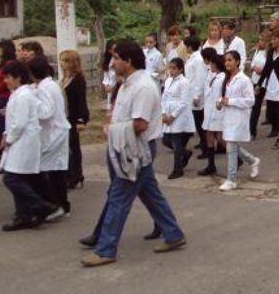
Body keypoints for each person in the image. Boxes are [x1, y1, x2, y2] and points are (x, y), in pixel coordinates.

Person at [81, 41, 186, 267]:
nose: (112, 62)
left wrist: (112, 128)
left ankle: (106, 249)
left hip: (136, 149)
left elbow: (140, 124)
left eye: (116, 58)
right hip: (126, 147)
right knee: (149, 193)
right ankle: (174, 234)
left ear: (128, 61)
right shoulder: (128, 84)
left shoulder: (143, 87)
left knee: (119, 197)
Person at [0, 60, 62, 231]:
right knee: (21, 177)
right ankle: (24, 215)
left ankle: (40, 205)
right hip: (22, 140)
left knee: (11, 178)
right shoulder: (19, 94)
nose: (6, 81)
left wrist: (9, 138)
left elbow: (19, 123)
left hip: (24, 141)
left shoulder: (24, 96)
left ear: (18, 78)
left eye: (8, 78)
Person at [29, 57, 72, 215]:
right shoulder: (50, 85)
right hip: (57, 131)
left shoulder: (44, 89)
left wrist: (33, 104)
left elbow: (46, 112)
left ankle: (53, 205)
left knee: (44, 170)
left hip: (53, 133)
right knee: (56, 171)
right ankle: (62, 205)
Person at [217, 51, 261, 192]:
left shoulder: (244, 80)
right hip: (228, 116)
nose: (227, 63)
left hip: (239, 117)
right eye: (225, 60)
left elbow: (250, 100)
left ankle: (231, 179)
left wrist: (230, 101)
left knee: (230, 146)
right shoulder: (227, 78)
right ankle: (252, 160)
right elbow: (224, 96)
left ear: (237, 61)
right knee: (231, 145)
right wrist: (220, 102)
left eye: (230, 60)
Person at [58, 50, 89, 189]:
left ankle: (75, 175)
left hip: (73, 117)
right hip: (63, 116)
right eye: (61, 61)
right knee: (70, 146)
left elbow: (81, 100)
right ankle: (73, 174)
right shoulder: (63, 79)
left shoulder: (78, 79)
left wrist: (81, 120)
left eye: (65, 61)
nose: (61, 64)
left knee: (72, 147)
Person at [161, 58, 196, 179]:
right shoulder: (168, 81)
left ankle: (178, 169)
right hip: (168, 112)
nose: (171, 70)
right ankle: (185, 153)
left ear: (181, 69)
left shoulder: (184, 82)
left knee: (176, 143)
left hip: (179, 115)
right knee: (165, 140)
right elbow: (164, 97)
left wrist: (173, 115)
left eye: (174, 68)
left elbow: (184, 102)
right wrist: (164, 113)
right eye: (170, 68)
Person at [197, 48, 224, 176]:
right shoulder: (211, 73)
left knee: (220, 139)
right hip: (209, 110)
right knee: (209, 136)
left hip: (218, 111)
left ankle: (240, 157)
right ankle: (211, 164)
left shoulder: (222, 77)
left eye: (212, 63)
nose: (210, 65)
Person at [183, 36, 207, 158]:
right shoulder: (191, 58)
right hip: (190, 92)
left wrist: (197, 95)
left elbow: (200, 78)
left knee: (200, 122)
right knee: (197, 122)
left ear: (190, 47)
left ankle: (206, 147)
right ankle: (203, 143)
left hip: (196, 94)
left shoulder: (198, 59)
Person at [0, 39, 17, 170]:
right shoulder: (2, 64)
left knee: (5, 126)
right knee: (1, 126)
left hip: (5, 97)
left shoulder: (9, 64)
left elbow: (4, 82)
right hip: (1, 97)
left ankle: (5, 156)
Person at [248, 31, 270, 140]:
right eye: (259, 40)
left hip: (264, 82)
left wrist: (262, 70)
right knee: (254, 105)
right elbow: (252, 64)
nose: (259, 42)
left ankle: (252, 130)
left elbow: (268, 66)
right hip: (255, 80)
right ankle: (251, 129)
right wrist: (254, 68)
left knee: (257, 105)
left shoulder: (268, 53)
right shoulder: (257, 51)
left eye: (262, 40)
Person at [101, 41, 117, 109]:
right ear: (109, 50)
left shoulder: (121, 60)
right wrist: (106, 85)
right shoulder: (108, 61)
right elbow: (106, 76)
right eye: (114, 49)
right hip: (110, 88)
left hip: (118, 87)